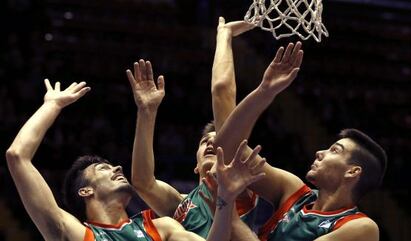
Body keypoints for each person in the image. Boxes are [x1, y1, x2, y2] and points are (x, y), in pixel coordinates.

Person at [5, 79, 264, 241]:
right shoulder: (74, 234)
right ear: (86, 190)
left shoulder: (161, 228)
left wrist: (225, 200)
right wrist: (52, 104)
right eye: (103, 168)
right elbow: (17, 156)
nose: (117, 167)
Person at [213, 41, 388, 241]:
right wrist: (264, 92)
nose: (319, 153)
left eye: (335, 150)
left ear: (353, 171)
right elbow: (227, 150)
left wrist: (229, 215)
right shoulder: (293, 190)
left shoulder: (362, 227)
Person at [127, 17, 260, 238]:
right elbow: (142, 182)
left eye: (217, 139)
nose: (211, 142)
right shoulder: (180, 202)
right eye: (203, 142)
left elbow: (222, 92)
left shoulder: (244, 187)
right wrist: (146, 113)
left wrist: (224, 36)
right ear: (196, 166)